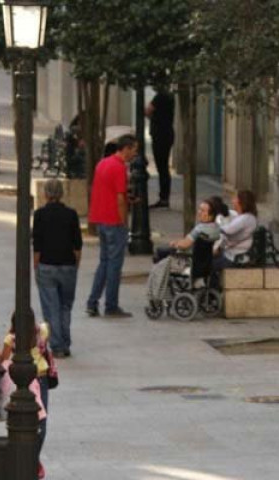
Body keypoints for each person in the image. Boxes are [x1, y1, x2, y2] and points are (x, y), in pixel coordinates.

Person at [86, 134, 138, 318]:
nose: (135, 154)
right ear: (126, 149)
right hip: (114, 220)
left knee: (104, 262)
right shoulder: (119, 168)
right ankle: (111, 305)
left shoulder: (103, 163)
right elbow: (119, 198)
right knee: (115, 265)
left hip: (100, 219)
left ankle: (92, 302)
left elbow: (105, 190)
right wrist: (124, 221)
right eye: (134, 150)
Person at [32, 178, 82, 357]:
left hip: (47, 264)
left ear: (45, 194)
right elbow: (77, 244)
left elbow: (37, 244)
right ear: (61, 194)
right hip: (67, 264)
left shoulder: (39, 215)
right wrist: (75, 265)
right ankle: (65, 341)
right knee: (65, 306)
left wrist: (36, 265)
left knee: (50, 306)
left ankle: (57, 345)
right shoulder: (71, 214)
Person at [1, 320, 53, 479]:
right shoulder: (13, 338)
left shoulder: (39, 332)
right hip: (27, 382)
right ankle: (30, 461)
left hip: (39, 379)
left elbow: (3, 359)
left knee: (40, 421)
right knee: (36, 421)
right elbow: (4, 359)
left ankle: (32, 459)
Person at [153, 199, 221, 264]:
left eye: (203, 210)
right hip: (206, 258)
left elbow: (185, 245)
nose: (199, 212)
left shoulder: (199, 229)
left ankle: (159, 274)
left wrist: (175, 244)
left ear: (211, 215)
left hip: (190, 255)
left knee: (160, 251)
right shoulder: (217, 228)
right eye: (199, 209)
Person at [214, 190, 259, 270]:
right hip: (232, 253)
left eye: (234, 198)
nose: (232, 200)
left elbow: (227, 230)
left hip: (235, 258)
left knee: (208, 264)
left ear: (240, 201)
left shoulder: (246, 218)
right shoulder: (244, 217)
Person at [147, 88, 175, 209]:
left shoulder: (161, 96)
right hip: (166, 133)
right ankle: (164, 197)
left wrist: (151, 116)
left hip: (160, 135)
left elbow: (148, 110)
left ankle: (164, 197)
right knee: (163, 167)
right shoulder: (169, 96)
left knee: (161, 167)